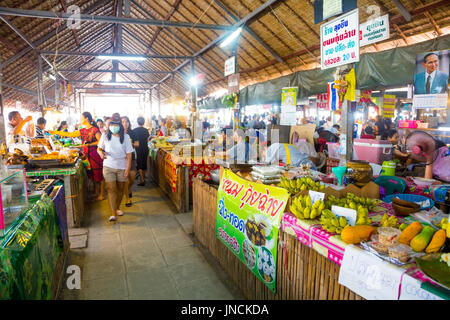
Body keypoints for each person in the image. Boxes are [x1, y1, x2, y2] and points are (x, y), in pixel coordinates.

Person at [49, 112, 105, 201]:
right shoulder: (83, 130)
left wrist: (89, 145)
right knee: (93, 175)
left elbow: (101, 142)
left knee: (99, 175)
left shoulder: (94, 130)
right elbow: (70, 134)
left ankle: (102, 194)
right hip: (87, 156)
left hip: (95, 155)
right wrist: (54, 132)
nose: (80, 119)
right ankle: (96, 192)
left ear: (86, 119)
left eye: (81, 117)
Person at [97, 113, 133, 222]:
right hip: (108, 166)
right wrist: (100, 154)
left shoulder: (125, 137)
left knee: (121, 190)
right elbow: (99, 148)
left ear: (120, 126)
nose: (114, 126)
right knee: (112, 189)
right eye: (112, 124)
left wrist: (127, 168)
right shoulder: (105, 135)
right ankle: (113, 214)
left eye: (116, 124)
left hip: (122, 167)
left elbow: (129, 154)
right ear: (109, 124)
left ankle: (117, 208)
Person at [121, 116, 139, 207]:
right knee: (125, 179)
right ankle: (127, 199)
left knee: (132, 177)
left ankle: (128, 189)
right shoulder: (118, 134)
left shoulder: (133, 132)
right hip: (121, 159)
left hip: (131, 158)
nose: (125, 123)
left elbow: (137, 144)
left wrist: (129, 143)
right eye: (123, 122)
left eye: (126, 121)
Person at [133, 116, 150, 186]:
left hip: (138, 149)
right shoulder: (146, 130)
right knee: (144, 162)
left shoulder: (134, 130)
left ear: (137, 122)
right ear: (144, 122)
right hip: (145, 148)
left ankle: (142, 180)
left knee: (139, 163)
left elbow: (133, 141)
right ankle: (143, 177)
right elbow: (147, 140)